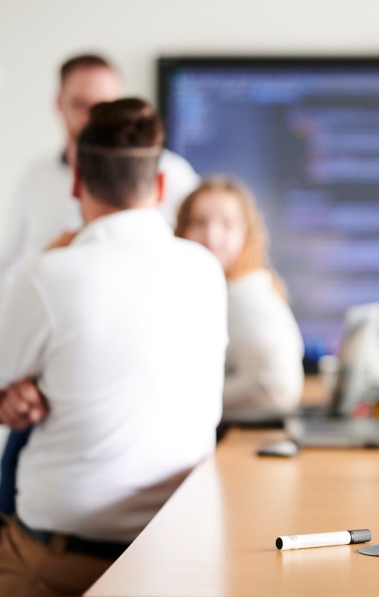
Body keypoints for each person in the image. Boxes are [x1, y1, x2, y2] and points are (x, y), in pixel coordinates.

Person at [0, 97, 227, 596]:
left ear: (76, 181)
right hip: (183, 562)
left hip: (61, 563)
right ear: (161, 184)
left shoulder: (45, 276)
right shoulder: (205, 270)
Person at [0, 53, 200, 293]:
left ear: (159, 184)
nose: (92, 119)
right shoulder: (36, 177)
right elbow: (8, 266)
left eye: (104, 106)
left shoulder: (172, 172)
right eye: (79, 104)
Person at [175, 177, 304, 421]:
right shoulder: (209, 291)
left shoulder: (249, 298)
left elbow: (277, 388)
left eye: (227, 224)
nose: (212, 236)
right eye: (199, 222)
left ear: (247, 234)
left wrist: (183, 402)